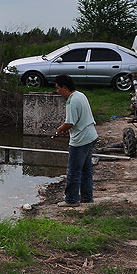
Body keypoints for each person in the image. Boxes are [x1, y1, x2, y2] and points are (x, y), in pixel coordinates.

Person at [53, 74, 98, 207]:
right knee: (86, 170)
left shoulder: (71, 102)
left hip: (81, 140)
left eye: (58, 88)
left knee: (73, 171)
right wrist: (69, 128)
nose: (57, 91)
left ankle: (71, 200)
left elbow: (70, 123)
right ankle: (87, 197)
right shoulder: (80, 95)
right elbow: (78, 120)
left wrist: (60, 129)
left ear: (64, 87)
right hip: (91, 136)